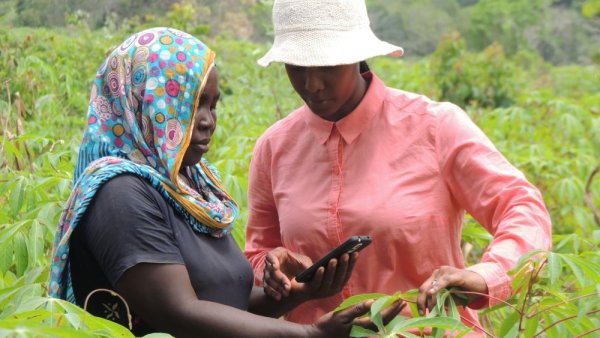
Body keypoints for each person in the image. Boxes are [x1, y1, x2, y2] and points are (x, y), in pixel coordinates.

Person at [49, 27, 403, 338]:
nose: (207, 122)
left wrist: (302, 292)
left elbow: (226, 299)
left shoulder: (188, 185)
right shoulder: (120, 192)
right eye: (192, 105)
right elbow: (179, 313)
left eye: (212, 106)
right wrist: (309, 334)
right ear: (143, 102)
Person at [243, 0, 552, 335]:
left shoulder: (434, 126)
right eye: (297, 67)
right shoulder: (275, 147)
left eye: (327, 66)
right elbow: (257, 256)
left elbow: (522, 206)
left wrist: (486, 275)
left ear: (357, 56)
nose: (312, 84)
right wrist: (274, 269)